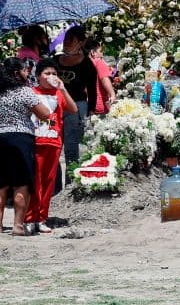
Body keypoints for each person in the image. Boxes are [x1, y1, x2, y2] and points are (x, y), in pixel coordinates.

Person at [0, 58, 51, 235]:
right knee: (21, 183)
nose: (27, 73)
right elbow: (44, 114)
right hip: (20, 139)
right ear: (16, 73)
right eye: (24, 70)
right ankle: (18, 226)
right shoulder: (24, 91)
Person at [25, 59, 78, 233]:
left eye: (54, 73)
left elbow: (74, 109)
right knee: (35, 182)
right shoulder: (31, 92)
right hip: (34, 142)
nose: (51, 76)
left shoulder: (59, 93)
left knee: (48, 182)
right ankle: (29, 218)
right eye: (47, 73)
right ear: (38, 76)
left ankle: (41, 218)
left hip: (54, 142)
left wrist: (63, 88)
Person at [53, 25, 98, 168]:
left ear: (81, 43)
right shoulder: (54, 60)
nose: (66, 42)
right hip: (55, 108)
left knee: (71, 148)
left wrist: (91, 111)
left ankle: (71, 179)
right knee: (53, 146)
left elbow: (92, 91)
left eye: (71, 40)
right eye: (66, 39)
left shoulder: (87, 65)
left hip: (76, 109)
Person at [86, 39, 116, 115]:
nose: (102, 54)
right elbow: (104, 79)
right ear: (93, 53)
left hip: (86, 106)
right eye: (100, 51)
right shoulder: (98, 62)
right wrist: (112, 94)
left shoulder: (82, 65)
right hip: (100, 105)